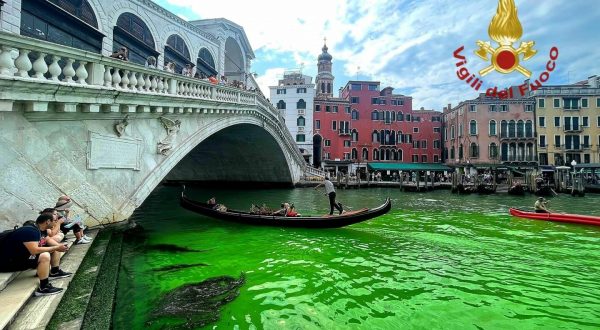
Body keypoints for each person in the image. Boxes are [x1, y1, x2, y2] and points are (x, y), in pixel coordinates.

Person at [0, 213, 71, 296]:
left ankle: (55, 272)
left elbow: (48, 241)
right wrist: (56, 248)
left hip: (19, 257)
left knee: (55, 247)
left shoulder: (41, 229)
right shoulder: (31, 232)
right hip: (7, 262)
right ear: (48, 221)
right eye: (55, 221)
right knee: (45, 255)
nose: (56, 223)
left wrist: (60, 247)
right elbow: (34, 250)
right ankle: (43, 288)